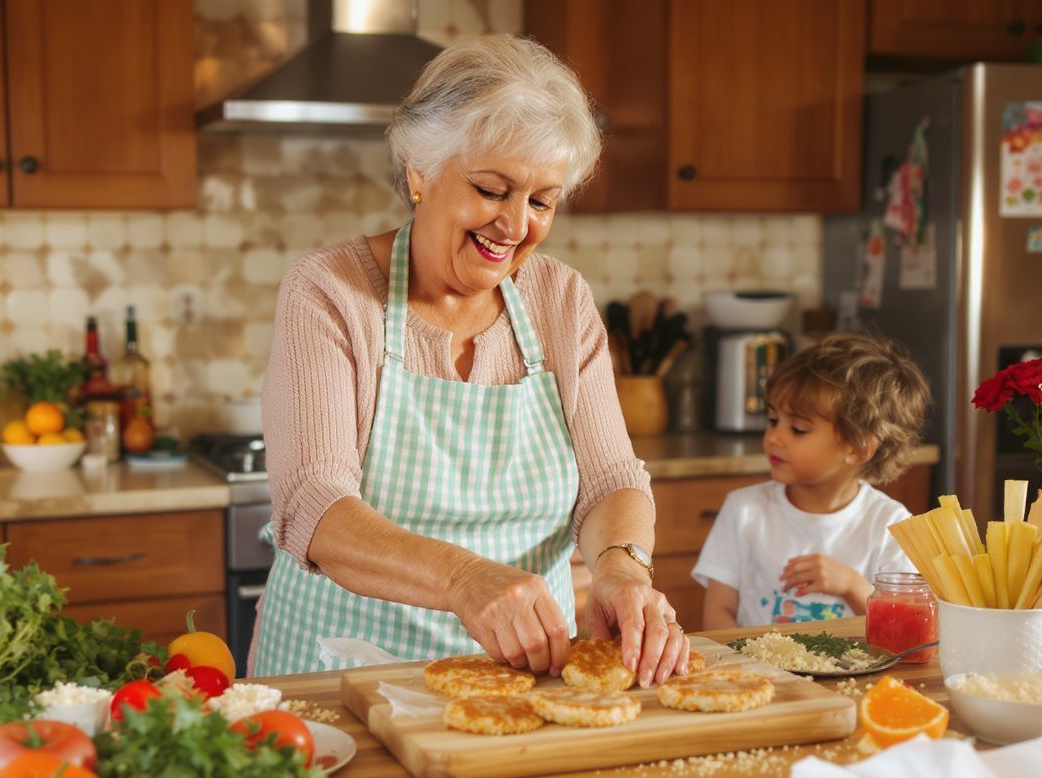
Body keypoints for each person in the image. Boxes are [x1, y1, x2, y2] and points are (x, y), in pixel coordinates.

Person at [252, 34, 687, 685]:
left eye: (542, 201)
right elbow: (314, 505)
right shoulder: (329, 291)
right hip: (340, 671)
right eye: (492, 189)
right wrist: (463, 579)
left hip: (519, 678)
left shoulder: (559, 300)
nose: (515, 226)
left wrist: (622, 569)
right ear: (419, 171)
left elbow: (610, 479)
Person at [696, 334, 931, 629]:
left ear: (858, 448)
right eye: (772, 420)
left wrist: (852, 586)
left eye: (798, 429)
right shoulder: (743, 510)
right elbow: (718, 613)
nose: (774, 437)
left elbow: (902, 629)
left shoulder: (891, 525)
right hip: (759, 675)